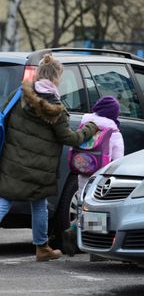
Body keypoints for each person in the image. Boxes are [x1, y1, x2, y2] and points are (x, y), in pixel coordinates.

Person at [0, 54, 98, 262]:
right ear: (55, 78)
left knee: (9, 200)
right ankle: (42, 247)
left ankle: (42, 247)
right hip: (40, 166)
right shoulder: (56, 108)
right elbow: (69, 138)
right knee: (38, 204)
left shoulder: (19, 94)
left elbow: (4, 116)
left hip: (13, 158)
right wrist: (90, 129)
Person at [63, 96, 124, 257]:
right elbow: (118, 161)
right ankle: (96, 252)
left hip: (83, 172)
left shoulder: (85, 125)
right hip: (101, 177)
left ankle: (73, 230)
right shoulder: (113, 132)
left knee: (84, 207)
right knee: (98, 211)